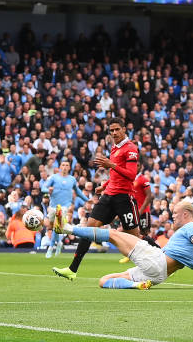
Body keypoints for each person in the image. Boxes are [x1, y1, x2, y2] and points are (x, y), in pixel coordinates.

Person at [52, 200, 193, 289]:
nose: (172, 216)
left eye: (175, 213)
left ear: (185, 214)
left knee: (113, 234)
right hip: (157, 277)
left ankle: (67, 228)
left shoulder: (192, 226)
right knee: (103, 281)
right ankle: (136, 285)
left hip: (156, 261)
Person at [53, 118, 141, 280]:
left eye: (117, 129)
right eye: (111, 130)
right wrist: (105, 185)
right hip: (109, 195)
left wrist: (111, 165)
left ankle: (160, 258)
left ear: (124, 129)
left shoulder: (131, 149)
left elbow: (131, 174)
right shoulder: (116, 148)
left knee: (136, 237)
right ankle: (73, 269)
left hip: (123, 198)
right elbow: (116, 173)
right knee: (89, 229)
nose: (114, 133)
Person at [41, 160, 88, 258]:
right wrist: (48, 190)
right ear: (60, 167)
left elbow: (78, 191)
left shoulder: (72, 179)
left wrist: (87, 200)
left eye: (67, 165)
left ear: (69, 168)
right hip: (53, 206)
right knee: (54, 226)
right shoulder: (53, 177)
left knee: (57, 223)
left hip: (65, 206)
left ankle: (50, 247)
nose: (65, 167)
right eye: (63, 165)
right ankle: (58, 243)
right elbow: (43, 188)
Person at [120, 160, 157, 263]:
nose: (136, 167)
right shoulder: (130, 179)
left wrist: (140, 210)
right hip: (132, 211)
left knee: (144, 233)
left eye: (138, 166)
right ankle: (130, 254)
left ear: (142, 167)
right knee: (131, 233)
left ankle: (158, 252)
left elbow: (149, 196)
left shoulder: (143, 179)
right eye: (134, 165)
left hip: (143, 211)